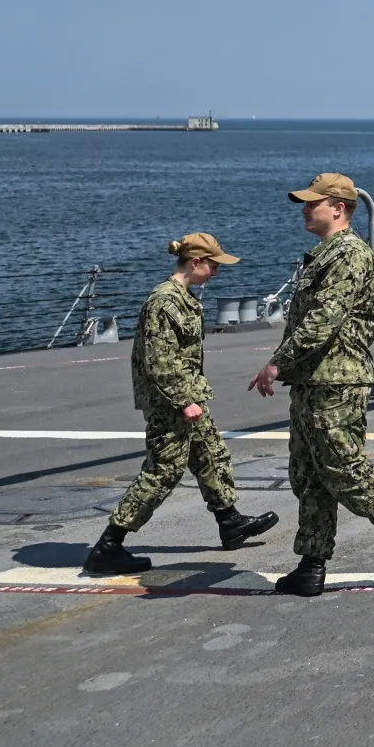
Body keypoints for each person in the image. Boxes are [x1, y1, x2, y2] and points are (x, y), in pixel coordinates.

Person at [248, 173, 374, 597]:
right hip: (314, 378)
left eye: (313, 202)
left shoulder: (349, 255)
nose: (304, 208)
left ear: (339, 208)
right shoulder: (324, 254)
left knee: (342, 467)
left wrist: (277, 364)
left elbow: (324, 319)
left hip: (336, 379)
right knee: (309, 473)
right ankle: (312, 563)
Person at [84, 234, 278, 576]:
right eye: (214, 265)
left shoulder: (184, 299)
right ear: (195, 263)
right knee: (162, 472)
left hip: (188, 397)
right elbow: (158, 360)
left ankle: (230, 521)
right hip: (171, 403)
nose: (217, 271)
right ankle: (108, 546)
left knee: (211, 455)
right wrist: (184, 400)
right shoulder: (165, 301)